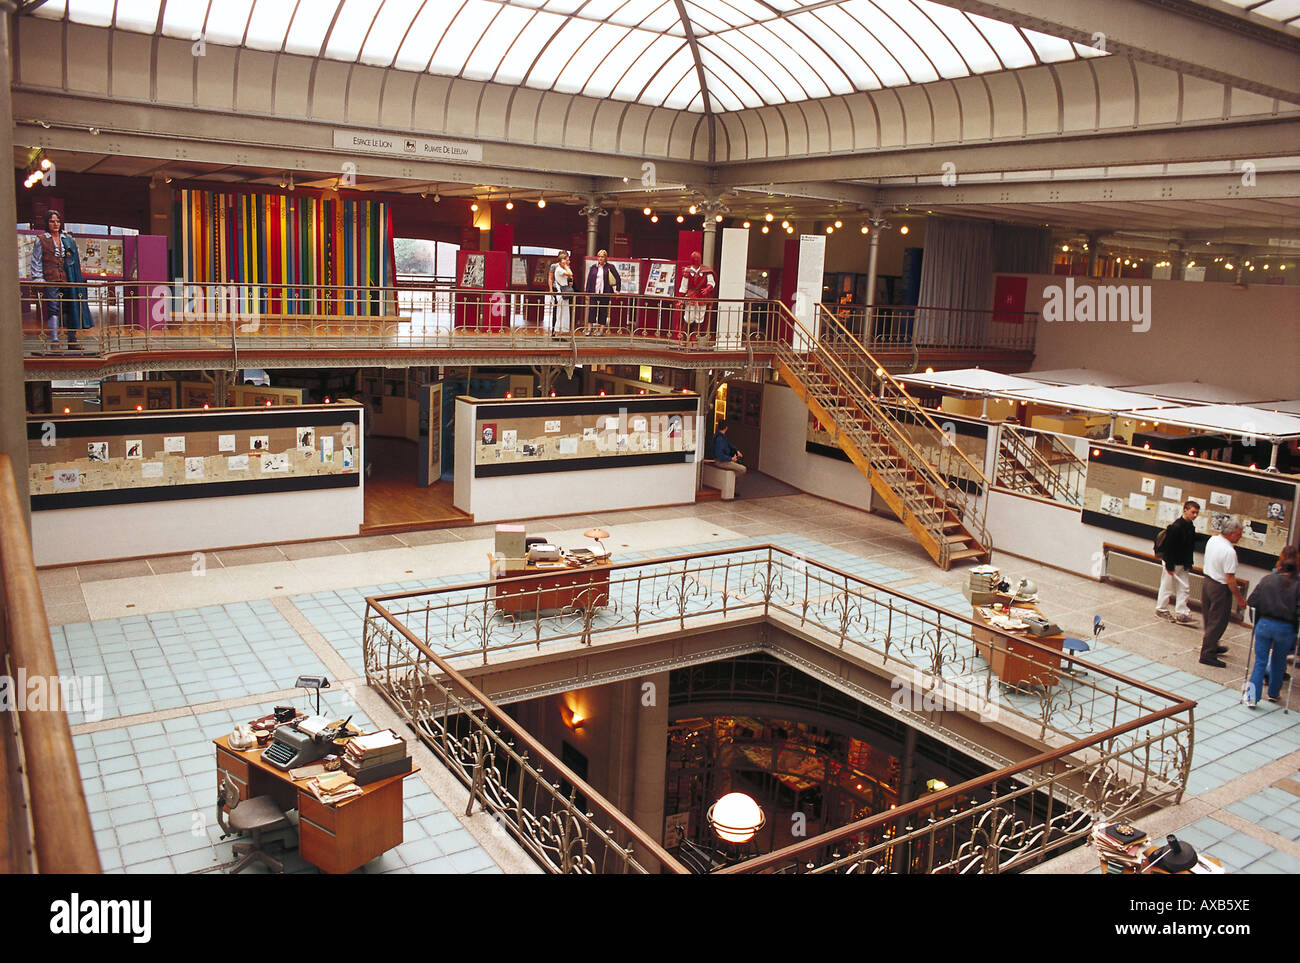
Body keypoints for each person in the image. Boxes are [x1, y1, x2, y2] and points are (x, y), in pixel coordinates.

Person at [1243, 546, 1300, 707]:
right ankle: (1273, 693)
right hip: (1285, 628)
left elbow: (1252, 601)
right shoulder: (1297, 585)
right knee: (1279, 661)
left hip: (1265, 624)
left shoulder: (1267, 579)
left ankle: (1252, 698)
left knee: (1260, 661)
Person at [29, 209, 92, 350]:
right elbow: (36, 260)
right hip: (51, 278)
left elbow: (74, 259)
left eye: (57, 221)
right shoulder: (41, 240)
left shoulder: (67, 239)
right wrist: (38, 278)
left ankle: (72, 339)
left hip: (68, 278)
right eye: (52, 221)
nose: (55, 224)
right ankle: (55, 340)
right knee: (53, 308)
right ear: (47, 222)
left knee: (72, 307)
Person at [1199, 518, 1249, 667]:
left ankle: (1212, 644)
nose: (1240, 537)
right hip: (1219, 587)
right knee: (1218, 621)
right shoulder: (1229, 551)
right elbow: (1230, 580)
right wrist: (1240, 599)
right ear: (1231, 533)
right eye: (1239, 535)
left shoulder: (1213, 540)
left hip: (1207, 581)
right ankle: (1207, 653)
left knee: (1209, 617)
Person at [1155, 500, 1200, 624]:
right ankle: (1161, 609)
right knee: (1167, 587)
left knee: (1184, 588)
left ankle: (1182, 613)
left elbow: (1190, 544)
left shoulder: (1190, 526)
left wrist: (1188, 563)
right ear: (1185, 510)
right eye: (1193, 512)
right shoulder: (1176, 527)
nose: (1195, 515)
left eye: (1197, 513)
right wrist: (1169, 566)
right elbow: (1168, 548)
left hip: (1183, 563)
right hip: (1172, 563)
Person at [678, 250, 716, 343]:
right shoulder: (687, 271)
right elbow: (683, 286)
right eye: (694, 259)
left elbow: (711, 282)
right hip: (691, 296)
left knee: (700, 316)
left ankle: (695, 336)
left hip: (702, 297)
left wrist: (707, 289)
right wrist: (680, 298)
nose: (696, 260)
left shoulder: (706, 271)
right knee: (688, 316)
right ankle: (685, 336)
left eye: (697, 258)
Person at [584, 250, 620, 335]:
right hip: (594, 292)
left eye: (602, 256)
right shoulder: (593, 267)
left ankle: (601, 330)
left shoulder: (610, 267)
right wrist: (587, 292)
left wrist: (618, 290)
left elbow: (618, 278)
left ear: (605, 258)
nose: (600, 258)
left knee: (603, 310)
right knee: (592, 310)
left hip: (605, 292)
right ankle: (589, 329)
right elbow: (589, 280)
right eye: (599, 256)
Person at [711, 422, 747, 496]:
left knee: (738, 468)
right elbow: (719, 455)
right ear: (726, 428)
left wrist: (736, 450)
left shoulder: (721, 437)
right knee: (743, 469)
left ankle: (732, 485)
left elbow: (729, 444)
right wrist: (731, 459)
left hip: (724, 459)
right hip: (721, 461)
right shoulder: (720, 439)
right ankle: (733, 487)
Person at [549, 252, 574, 336]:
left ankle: (559, 331)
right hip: (560, 293)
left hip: (563, 293)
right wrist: (566, 266)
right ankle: (556, 331)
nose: (569, 262)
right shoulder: (559, 269)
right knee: (560, 312)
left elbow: (570, 278)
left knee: (563, 312)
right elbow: (570, 274)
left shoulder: (562, 269)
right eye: (567, 260)